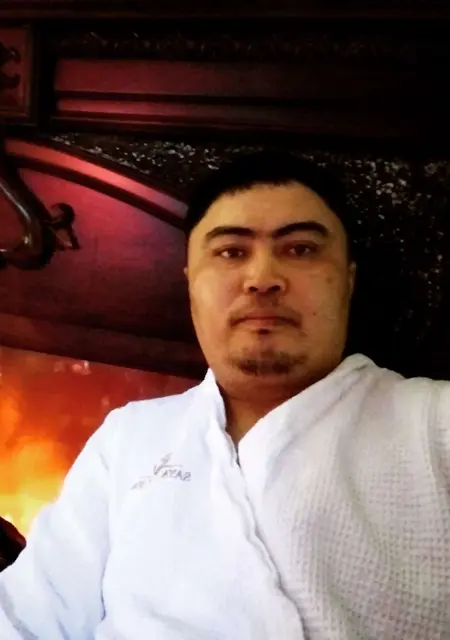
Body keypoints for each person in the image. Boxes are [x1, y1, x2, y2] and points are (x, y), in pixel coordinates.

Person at [1, 151, 450, 640]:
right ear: (191, 283)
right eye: (231, 252)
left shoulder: (433, 422)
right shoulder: (129, 436)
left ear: (348, 279)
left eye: (301, 249)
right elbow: (27, 615)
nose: (262, 279)